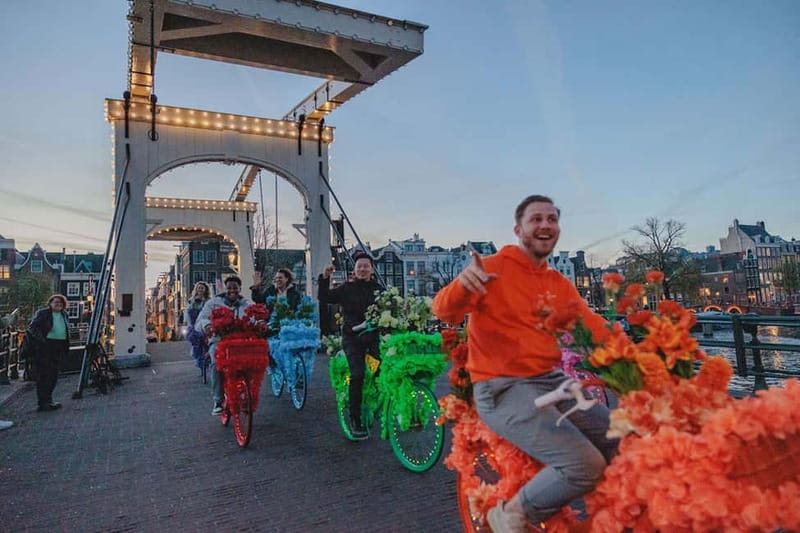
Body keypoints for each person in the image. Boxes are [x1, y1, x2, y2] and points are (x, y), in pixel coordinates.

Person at [432, 195, 617, 533]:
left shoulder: (559, 284)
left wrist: (645, 358)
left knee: (625, 439)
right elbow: (443, 310)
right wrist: (461, 286)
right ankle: (508, 515)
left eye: (552, 219)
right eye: (536, 219)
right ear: (518, 229)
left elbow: (593, 328)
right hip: (501, 387)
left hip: (550, 381)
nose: (545, 225)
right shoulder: (491, 268)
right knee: (583, 465)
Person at [318, 253, 382, 439]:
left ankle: (377, 404)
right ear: (355, 269)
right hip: (352, 337)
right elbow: (325, 297)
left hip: (372, 336)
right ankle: (355, 419)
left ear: (371, 269)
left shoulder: (378, 289)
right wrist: (325, 278)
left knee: (385, 368)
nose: (362, 269)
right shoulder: (347, 288)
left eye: (366, 266)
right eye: (359, 266)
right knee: (358, 374)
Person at [195, 276, 255, 415]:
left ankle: (247, 393)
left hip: (241, 342)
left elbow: (253, 319)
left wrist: (259, 325)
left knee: (254, 362)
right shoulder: (213, 303)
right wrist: (208, 325)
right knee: (216, 363)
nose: (232, 290)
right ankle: (218, 400)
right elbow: (200, 321)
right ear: (225, 289)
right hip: (219, 340)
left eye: (235, 288)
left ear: (240, 289)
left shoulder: (246, 305)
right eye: (229, 288)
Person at [26, 294, 71, 412]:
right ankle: (43, 402)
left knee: (54, 375)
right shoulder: (43, 313)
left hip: (59, 346)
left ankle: (49, 400)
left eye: (60, 303)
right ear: (50, 303)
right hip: (46, 346)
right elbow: (32, 327)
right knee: (44, 375)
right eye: (55, 302)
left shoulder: (64, 314)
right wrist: (42, 340)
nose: (58, 304)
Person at [184, 281, 211, 370]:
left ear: (205, 290)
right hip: (193, 322)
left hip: (204, 322)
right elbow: (187, 312)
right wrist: (186, 322)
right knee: (196, 342)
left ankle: (207, 358)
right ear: (196, 289)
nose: (200, 289)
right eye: (199, 288)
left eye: (202, 288)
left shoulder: (209, 301)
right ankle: (199, 360)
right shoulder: (191, 300)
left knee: (207, 341)